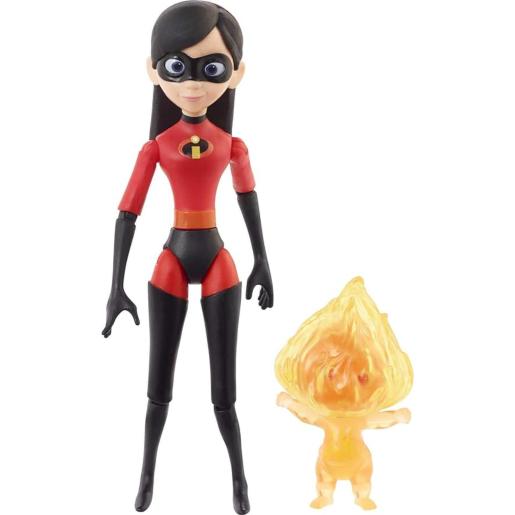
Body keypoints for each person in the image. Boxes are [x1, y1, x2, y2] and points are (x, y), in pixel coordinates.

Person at [102, 3, 273, 513]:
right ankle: (146, 477)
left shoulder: (232, 146)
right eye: (177, 67)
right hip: (172, 260)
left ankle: (240, 481)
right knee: (159, 386)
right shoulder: (156, 147)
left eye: (212, 68)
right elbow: (127, 213)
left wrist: (263, 261)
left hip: (218, 258)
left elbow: (248, 200)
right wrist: (115, 287)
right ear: (154, 71)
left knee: (225, 392)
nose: (193, 83)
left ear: (236, 73)